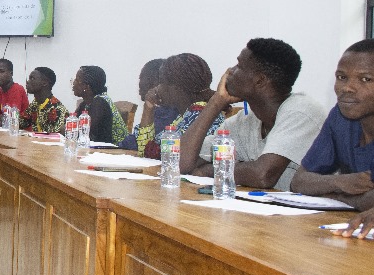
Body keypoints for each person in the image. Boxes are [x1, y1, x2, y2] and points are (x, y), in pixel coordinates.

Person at [178, 39, 324, 191]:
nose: (230, 71)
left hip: (322, 214)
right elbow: (181, 164)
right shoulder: (245, 122)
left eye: (239, 66)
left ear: (260, 81)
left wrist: (209, 170)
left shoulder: (301, 111)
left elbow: (263, 175)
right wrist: (215, 103)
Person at [292, 40, 374, 238]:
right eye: (342, 77)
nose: (348, 88)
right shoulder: (340, 116)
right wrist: (341, 183)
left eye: (366, 79)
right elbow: (299, 181)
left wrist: (336, 196)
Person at [139, 53, 225, 160]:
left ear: (176, 88)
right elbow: (147, 151)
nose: (157, 88)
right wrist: (148, 108)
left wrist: (148, 109)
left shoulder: (199, 115)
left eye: (161, 82)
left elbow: (153, 154)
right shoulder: (187, 114)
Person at [117, 59, 181, 152]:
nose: (139, 84)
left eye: (141, 78)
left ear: (156, 82)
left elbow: (134, 143)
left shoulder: (167, 112)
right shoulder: (159, 109)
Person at [71, 65, 127, 144]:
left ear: (86, 87)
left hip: (116, 152)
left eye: (77, 80)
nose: (73, 83)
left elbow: (85, 133)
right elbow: (71, 125)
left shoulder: (100, 103)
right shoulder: (85, 103)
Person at [20, 67, 67, 133]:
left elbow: (55, 137)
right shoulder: (35, 104)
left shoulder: (57, 109)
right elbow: (21, 123)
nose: (27, 82)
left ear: (44, 83)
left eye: (32, 78)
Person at [0, 58, 29, 125]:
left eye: (1, 71)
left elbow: (12, 119)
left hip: (20, 132)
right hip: (5, 131)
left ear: (11, 73)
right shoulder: (1, 90)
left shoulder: (17, 89)